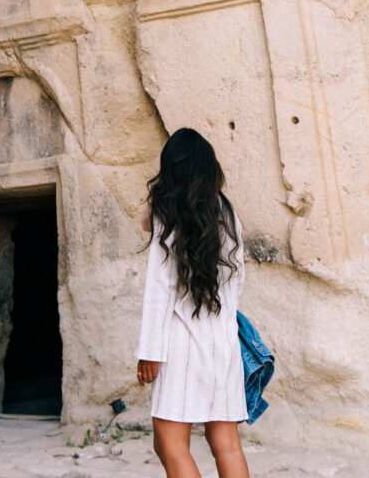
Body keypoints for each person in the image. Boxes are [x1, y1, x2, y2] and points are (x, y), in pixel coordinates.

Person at [136, 128, 250, 478]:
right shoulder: (227, 215)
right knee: (226, 443)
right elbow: (238, 279)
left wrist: (149, 351)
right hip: (223, 342)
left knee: (169, 445)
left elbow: (160, 287)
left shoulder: (167, 214)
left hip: (181, 342)